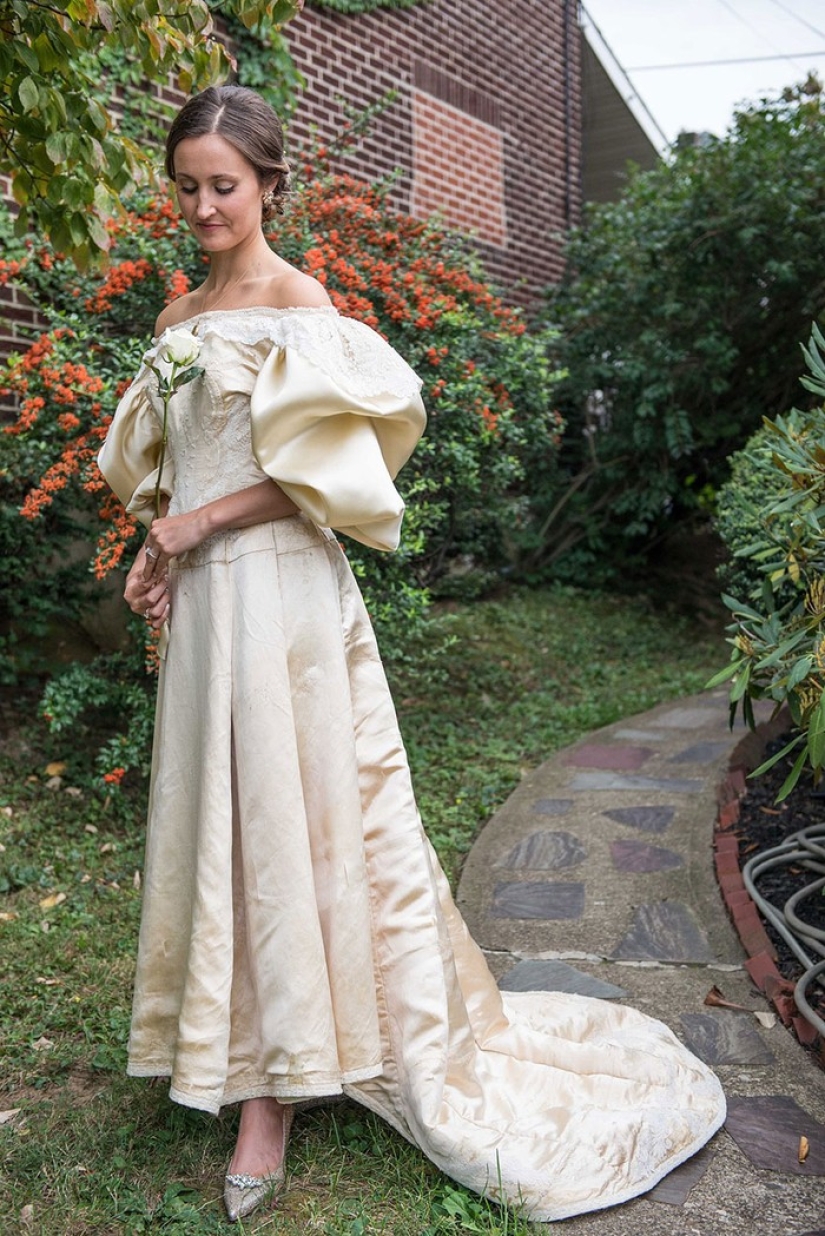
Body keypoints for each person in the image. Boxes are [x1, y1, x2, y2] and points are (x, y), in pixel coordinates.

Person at [98, 84, 726, 1224]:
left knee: (291, 819)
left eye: (223, 186)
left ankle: (274, 1098)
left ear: (269, 186)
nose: (202, 207)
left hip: (283, 599)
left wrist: (195, 525)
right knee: (220, 817)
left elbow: (315, 484)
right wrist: (160, 548)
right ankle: (226, 1042)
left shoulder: (303, 304)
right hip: (204, 607)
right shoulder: (173, 319)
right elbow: (172, 472)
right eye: (186, 186)